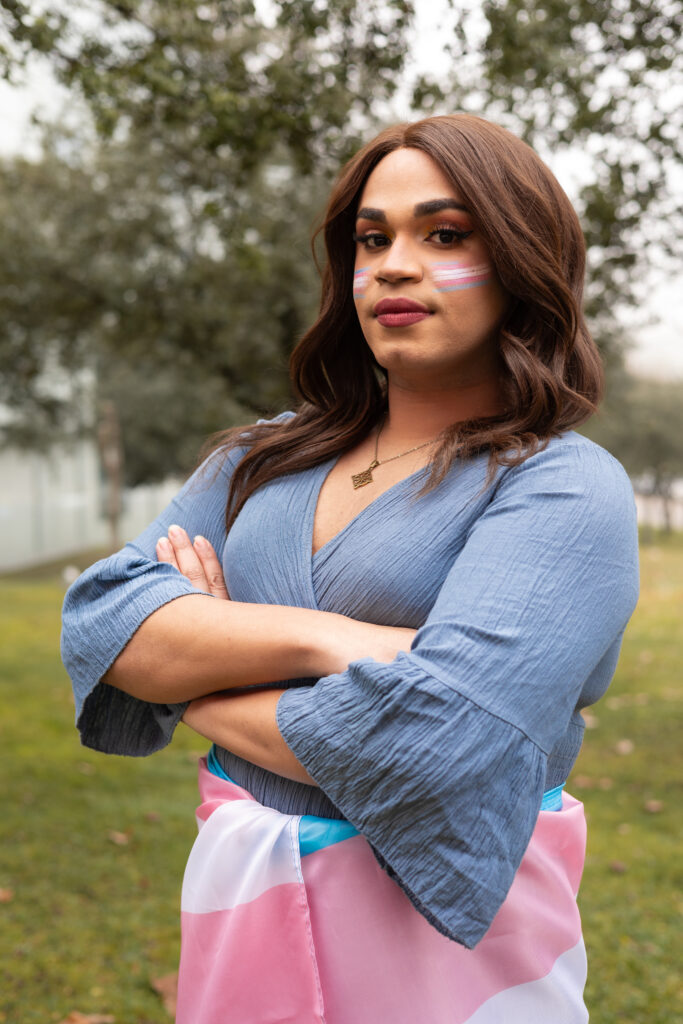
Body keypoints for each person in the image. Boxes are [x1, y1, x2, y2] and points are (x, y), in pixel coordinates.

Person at [62, 114, 639, 1024]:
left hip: (452, 957)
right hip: (240, 909)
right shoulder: (260, 458)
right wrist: (334, 639)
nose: (394, 265)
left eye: (444, 235)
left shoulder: (563, 487)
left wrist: (195, 683)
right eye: (373, 239)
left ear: (523, 262)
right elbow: (102, 620)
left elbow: (435, 746)